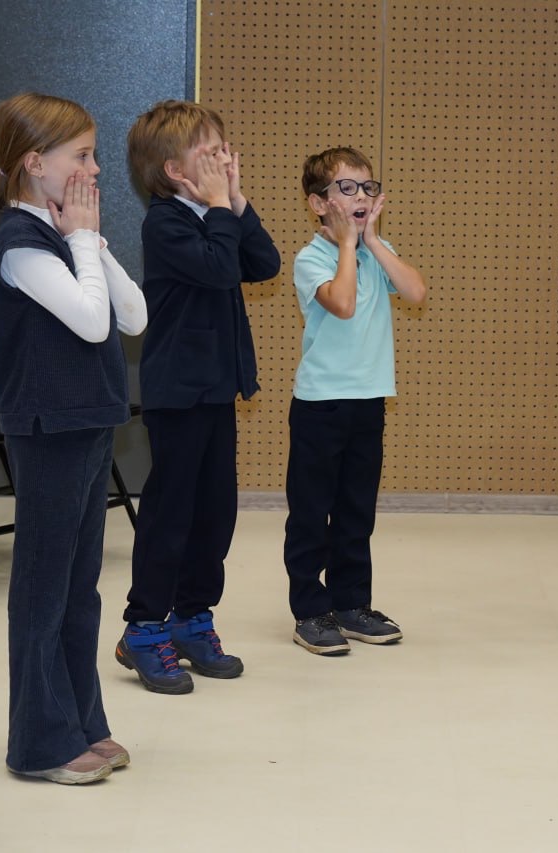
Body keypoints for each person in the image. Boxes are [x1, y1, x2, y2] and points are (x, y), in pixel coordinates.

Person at [0, 92, 147, 784]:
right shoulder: (18, 245)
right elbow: (89, 320)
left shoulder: (67, 234)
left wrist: (92, 240)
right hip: (47, 430)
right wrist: (78, 241)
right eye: (82, 156)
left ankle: (81, 721)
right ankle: (40, 741)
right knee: (43, 586)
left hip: (89, 424)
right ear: (35, 163)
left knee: (80, 587)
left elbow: (131, 314)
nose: (96, 169)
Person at [115, 100, 280, 693]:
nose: (221, 158)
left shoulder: (216, 214)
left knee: (215, 512)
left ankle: (191, 616)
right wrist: (217, 208)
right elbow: (216, 269)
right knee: (172, 512)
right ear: (171, 170)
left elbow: (262, 263)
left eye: (222, 147)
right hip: (178, 392)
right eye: (207, 152)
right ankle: (143, 627)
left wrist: (234, 202)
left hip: (216, 388)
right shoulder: (165, 221)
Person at [284, 147, 426, 655]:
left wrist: (371, 241)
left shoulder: (376, 247)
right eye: (347, 188)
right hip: (322, 403)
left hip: (369, 401)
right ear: (318, 204)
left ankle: (351, 603)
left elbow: (415, 291)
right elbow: (341, 304)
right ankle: (310, 610)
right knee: (311, 511)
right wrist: (348, 245)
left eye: (368, 187)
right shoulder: (312, 257)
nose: (361, 195)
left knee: (355, 510)